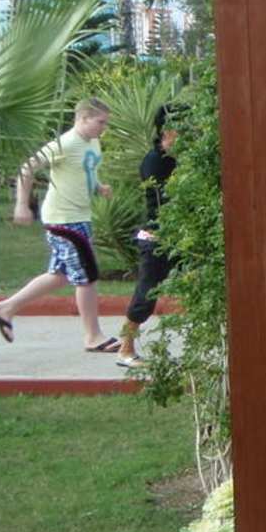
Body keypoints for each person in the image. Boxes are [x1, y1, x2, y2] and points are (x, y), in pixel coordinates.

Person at [0, 97, 119, 352]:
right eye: (100, 122)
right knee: (87, 276)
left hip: (80, 217)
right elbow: (27, 168)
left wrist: (98, 186)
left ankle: (5, 308)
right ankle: (93, 337)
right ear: (83, 118)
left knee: (60, 276)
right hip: (64, 220)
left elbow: (86, 169)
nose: (104, 128)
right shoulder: (65, 143)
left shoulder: (92, 142)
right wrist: (21, 205)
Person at [117, 105, 181, 367]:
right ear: (167, 130)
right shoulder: (155, 161)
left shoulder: (180, 158)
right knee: (146, 294)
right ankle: (125, 348)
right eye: (183, 127)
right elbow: (163, 202)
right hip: (158, 237)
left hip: (182, 235)